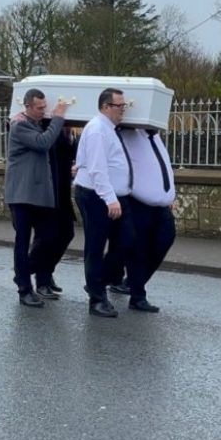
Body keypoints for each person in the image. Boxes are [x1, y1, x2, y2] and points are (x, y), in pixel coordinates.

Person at [73, 88, 135, 318]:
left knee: (127, 240)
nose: (123, 110)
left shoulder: (110, 130)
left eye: (124, 106)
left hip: (114, 196)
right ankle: (97, 300)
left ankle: (97, 282)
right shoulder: (98, 129)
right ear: (106, 107)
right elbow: (98, 169)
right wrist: (110, 199)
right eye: (120, 106)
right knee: (96, 247)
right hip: (96, 196)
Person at [4, 89, 69, 307]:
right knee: (22, 242)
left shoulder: (38, 123)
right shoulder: (19, 124)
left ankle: (24, 272)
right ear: (28, 106)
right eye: (40, 108)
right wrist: (59, 117)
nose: (44, 111)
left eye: (45, 107)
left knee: (50, 236)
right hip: (21, 194)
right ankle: (25, 289)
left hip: (39, 196)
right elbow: (43, 143)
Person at [103, 127, 175, 313]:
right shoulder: (129, 134)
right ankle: (137, 295)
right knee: (138, 249)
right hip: (137, 202)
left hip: (161, 205)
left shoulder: (155, 136)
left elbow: (160, 166)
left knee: (165, 239)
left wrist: (166, 194)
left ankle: (127, 281)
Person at [26, 119, 77, 297]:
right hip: (47, 191)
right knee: (47, 236)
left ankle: (43, 271)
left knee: (66, 233)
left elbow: (70, 153)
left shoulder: (65, 134)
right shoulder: (47, 131)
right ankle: (40, 278)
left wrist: (70, 134)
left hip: (61, 191)